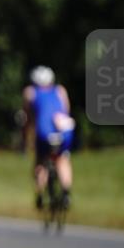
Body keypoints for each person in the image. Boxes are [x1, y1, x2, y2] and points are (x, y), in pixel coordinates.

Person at [22, 66, 75, 211]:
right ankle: (66, 193)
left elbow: (27, 119)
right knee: (63, 160)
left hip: (44, 133)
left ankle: (39, 194)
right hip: (65, 131)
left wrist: (25, 140)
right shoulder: (60, 90)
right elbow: (66, 111)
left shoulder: (30, 93)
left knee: (41, 161)